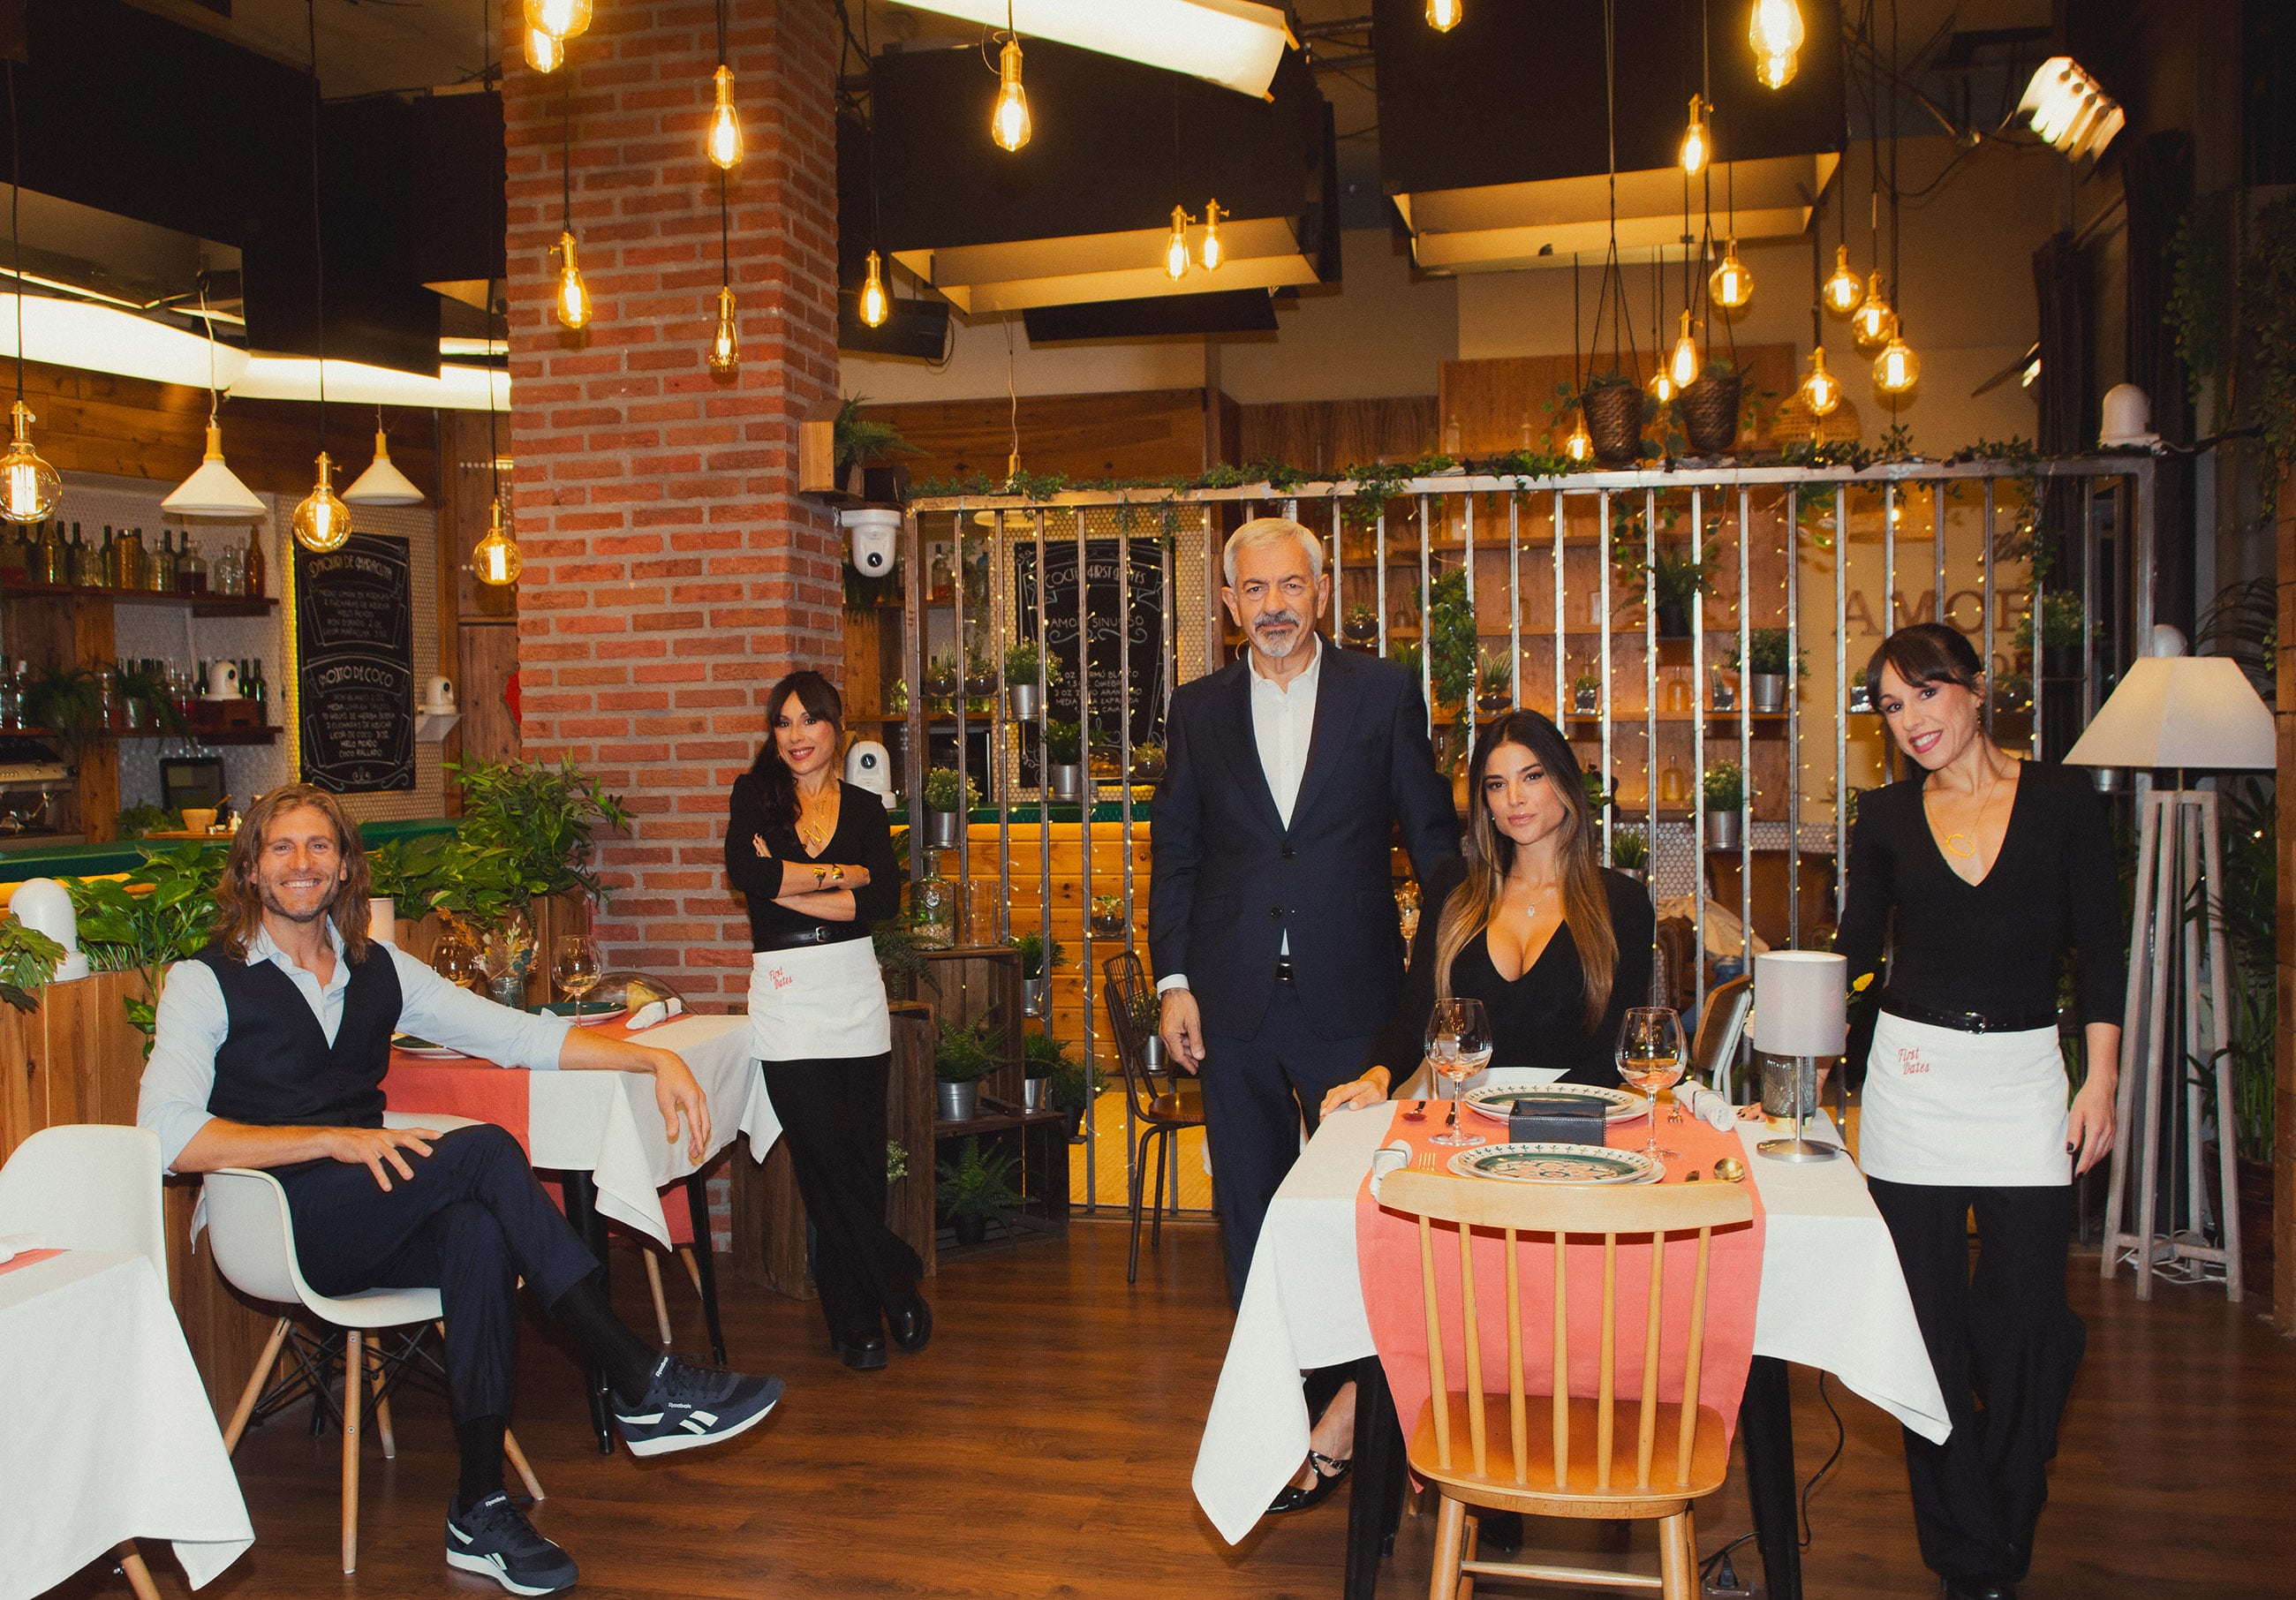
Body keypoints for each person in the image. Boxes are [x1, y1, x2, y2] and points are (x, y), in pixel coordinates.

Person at [140, 785, 783, 1598]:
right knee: (481, 1150)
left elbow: (512, 1034)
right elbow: (164, 1136)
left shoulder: (376, 968)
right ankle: (634, 1374)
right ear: (252, 868)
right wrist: (334, 1138)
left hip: (375, 1207)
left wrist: (650, 1057)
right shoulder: (204, 982)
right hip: (282, 1216)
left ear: (344, 869)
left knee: (478, 1232)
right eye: (281, 848)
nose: (300, 864)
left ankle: (479, 1506)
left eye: (318, 848)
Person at [1150, 516, 1458, 1511]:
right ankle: (1281, 1418)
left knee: (1357, 1216)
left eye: (1291, 587)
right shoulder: (1196, 710)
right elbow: (1179, 856)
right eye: (1254, 590)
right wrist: (1172, 983)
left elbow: (1438, 849)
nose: (1273, 607)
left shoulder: (1381, 692)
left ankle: (1358, 1410)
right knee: (1251, 1220)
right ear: (1229, 602)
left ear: (1319, 593)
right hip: (1230, 1004)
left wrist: (1445, 985)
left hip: (1352, 1006)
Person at [1833, 623, 2122, 1600]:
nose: (1909, 720)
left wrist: (2103, 1081)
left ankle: (2004, 1500)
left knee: (2027, 1326)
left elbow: (2103, 953)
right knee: (1925, 1330)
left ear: (1974, 685)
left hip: (2025, 1080)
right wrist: (1824, 1072)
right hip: (1912, 1082)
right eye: (1889, 706)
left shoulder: (2061, 802)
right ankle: (1971, 1554)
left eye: (1923, 694)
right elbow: (1856, 961)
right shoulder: (1881, 817)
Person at [723, 669, 928, 1372]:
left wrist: (793, 879)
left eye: (808, 720)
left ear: (835, 727)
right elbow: (747, 879)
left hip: (853, 992)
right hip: (785, 995)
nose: (795, 736)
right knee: (824, 1157)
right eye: (782, 723)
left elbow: (884, 903)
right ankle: (895, 1278)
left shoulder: (867, 808)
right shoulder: (754, 796)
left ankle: (856, 1323)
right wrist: (846, 876)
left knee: (861, 1166)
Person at [1323, 708, 1656, 1107]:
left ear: (1564, 783)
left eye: (1532, 777)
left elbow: (1610, 1057)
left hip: (1573, 1118)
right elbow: (1414, 1018)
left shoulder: (1623, 904)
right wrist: (1379, 1074)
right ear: (1487, 804)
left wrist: (1521, 1112)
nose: (1514, 798)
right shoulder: (1455, 888)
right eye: (1497, 785)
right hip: (1467, 1118)